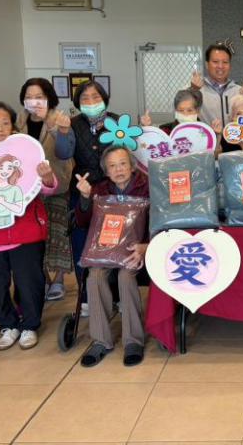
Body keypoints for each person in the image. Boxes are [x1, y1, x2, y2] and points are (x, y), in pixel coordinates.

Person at [0, 101, 57, 351]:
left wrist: (48, 178)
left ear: (13, 127)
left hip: (25, 231)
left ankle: (30, 326)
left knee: (29, 281)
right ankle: (7, 325)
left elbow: (47, 188)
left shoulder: (26, 154)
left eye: (5, 123)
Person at [75, 146, 148, 368]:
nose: (119, 170)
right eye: (112, 166)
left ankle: (133, 341)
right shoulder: (100, 189)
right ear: (106, 171)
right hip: (106, 252)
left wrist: (146, 247)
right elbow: (82, 222)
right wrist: (85, 197)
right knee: (95, 277)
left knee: (125, 277)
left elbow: (160, 220)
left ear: (132, 166)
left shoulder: (147, 186)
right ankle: (101, 341)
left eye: (123, 163)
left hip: (137, 250)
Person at [54, 80, 119, 315]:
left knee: (113, 243)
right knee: (82, 243)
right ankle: (86, 297)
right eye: (85, 98)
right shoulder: (71, 124)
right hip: (82, 190)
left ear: (104, 99)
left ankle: (116, 296)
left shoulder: (118, 121)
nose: (91, 102)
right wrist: (63, 132)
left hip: (112, 191)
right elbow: (63, 153)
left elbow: (127, 153)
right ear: (77, 103)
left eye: (96, 97)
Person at [17, 78, 74, 302]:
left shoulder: (59, 118)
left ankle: (58, 279)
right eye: (29, 97)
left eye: (39, 97)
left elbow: (64, 152)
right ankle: (45, 280)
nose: (34, 101)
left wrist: (54, 128)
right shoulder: (18, 121)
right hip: (27, 189)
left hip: (56, 185)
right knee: (33, 236)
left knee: (57, 233)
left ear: (49, 98)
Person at [189, 44, 243, 126]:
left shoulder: (239, 91)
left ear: (230, 66)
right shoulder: (197, 89)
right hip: (207, 134)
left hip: (233, 134)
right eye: (215, 62)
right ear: (207, 65)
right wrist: (193, 91)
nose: (220, 66)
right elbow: (182, 111)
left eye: (225, 62)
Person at [140, 89, 223, 135]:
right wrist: (148, 128)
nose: (185, 114)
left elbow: (214, 154)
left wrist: (217, 135)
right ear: (176, 111)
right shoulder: (166, 130)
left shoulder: (205, 131)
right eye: (181, 110)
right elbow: (156, 145)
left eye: (190, 110)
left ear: (197, 111)